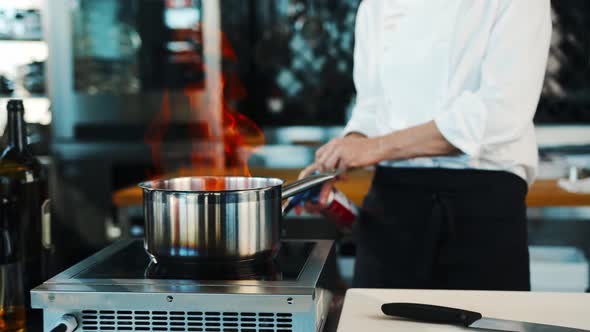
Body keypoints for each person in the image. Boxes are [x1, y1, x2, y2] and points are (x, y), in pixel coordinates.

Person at [300, 0, 552, 290]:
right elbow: (372, 107)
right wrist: (345, 150)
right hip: (392, 207)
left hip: (480, 208)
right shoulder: (376, 5)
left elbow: (501, 112)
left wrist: (376, 148)